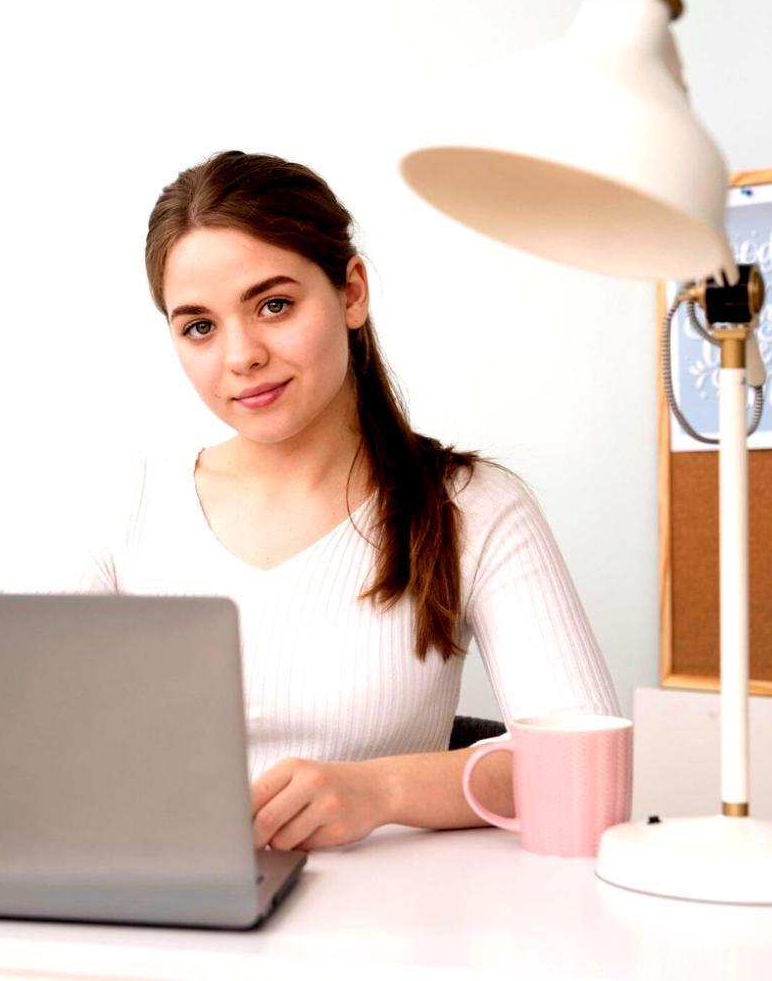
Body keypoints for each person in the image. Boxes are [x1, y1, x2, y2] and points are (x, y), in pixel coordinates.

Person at [58, 150, 620, 852]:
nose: (241, 356)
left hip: (380, 935)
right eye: (199, 325)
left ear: (351, 291)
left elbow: (587, 766)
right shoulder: (126, 503)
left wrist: (381, 791)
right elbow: (4, 728)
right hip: (160, 922)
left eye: (274, 305)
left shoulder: (473, 508)